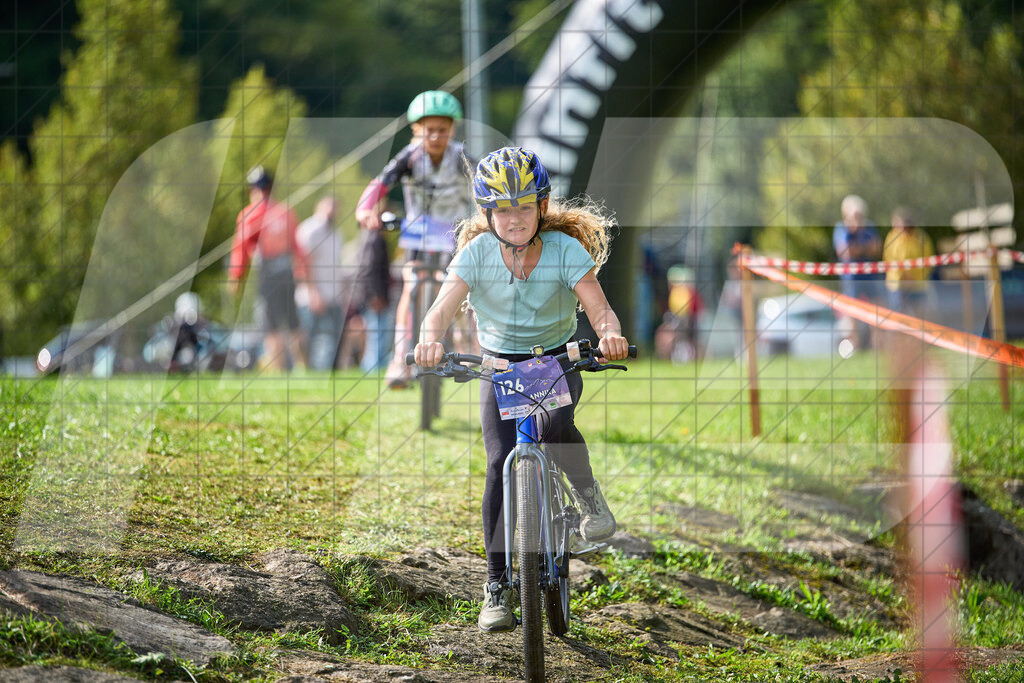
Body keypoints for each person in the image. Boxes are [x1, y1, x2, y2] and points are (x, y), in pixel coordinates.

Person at [412, 147, 630, 633]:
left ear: (542, 208)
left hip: (554, 357)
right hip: (499, 365)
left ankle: (590, 499)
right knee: (498, 461)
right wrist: (429, 341)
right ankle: (494, 586)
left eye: (525, 207)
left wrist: (609, 334)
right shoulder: (477, 255)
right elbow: (441, 311)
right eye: (503, 209)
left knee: (556, 424)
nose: (515, 218)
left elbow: (599, 309)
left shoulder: (564, 251)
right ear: (487, 213)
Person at [355, 90, 476, 388]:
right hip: (419, 234)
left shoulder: (461, 156)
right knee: (411, 287)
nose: (435, 136)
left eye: (442, 130)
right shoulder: (409, 157)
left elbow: (484, 182)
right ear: (416, 130)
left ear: (452, 130)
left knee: (459, 292)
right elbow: (381, 182)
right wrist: (365, 209)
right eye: (428, 130)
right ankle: (399, 361)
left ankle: (467, 349)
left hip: (454, 233)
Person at [228, 166, 307, 372]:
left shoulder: (249, 214)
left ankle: (280, 369)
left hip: (269, 274)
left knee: (270, 325)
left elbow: (241, 249)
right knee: (292, 322)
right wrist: (302, 272)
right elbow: (297, 247)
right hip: (287, 273)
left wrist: (235, 277)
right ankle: (301, 366)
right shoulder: (286, 211)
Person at [296, 197, 344, 371]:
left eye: (335, 207)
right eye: (328, 207)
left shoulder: (337, 233)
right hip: (312, 298)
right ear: (318, 207)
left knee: (328, 340)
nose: (332, 211)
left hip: (333, 297)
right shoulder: (309, 230)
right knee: (316, 340)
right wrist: (313, 293)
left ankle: (318, 374)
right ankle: (312, 374)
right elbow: (302, 264)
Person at [833, 194, 881, 349]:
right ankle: (855, 346)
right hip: (851, 278)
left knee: (876, 311)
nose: (858, 219)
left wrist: (859, 248)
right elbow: (845, 252)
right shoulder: (841, 228)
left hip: (870, 277)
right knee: (851, 314)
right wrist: (864, 247)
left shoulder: (869, 227)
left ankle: (877, 346)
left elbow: (876, 249)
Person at [349, 209, 393, 373]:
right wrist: (376, 296)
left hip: (369, 296)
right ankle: (372, 369)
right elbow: (369, 270)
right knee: (377, 337)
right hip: (374, 298)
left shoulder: (366, 237)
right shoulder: (374, 239)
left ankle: (372, 368)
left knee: (376, 336)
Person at [883, 207, 934, 316]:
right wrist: (902, 276)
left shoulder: (921, 238)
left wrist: (914, 277)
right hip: (897, 286)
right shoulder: (892, 237)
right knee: (899, 318)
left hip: (917, 285)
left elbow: (928, 261)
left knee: (920, 317)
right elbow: (888, 260)